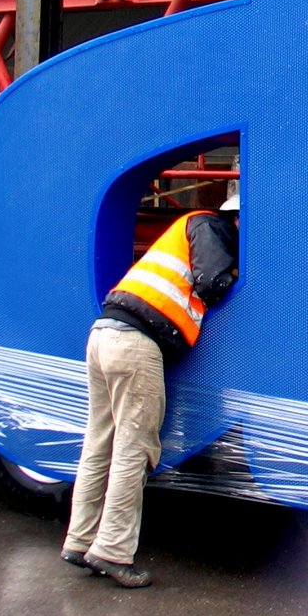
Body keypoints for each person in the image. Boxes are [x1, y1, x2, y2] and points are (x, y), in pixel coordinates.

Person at [60, 196, 239, 587]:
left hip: (105, 334)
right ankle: (112, 551)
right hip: (136, 346)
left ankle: (79, 539)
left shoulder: (184, 230)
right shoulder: (212, 226)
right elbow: (213, 281)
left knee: (99, 444)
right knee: (134, 450)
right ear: (237, 217)